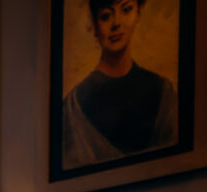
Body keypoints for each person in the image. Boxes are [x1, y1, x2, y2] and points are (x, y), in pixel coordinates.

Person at [62, 0, 178, 170]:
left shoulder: (163, 92)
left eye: (126, 10)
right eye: (106, 16)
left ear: (138, 13)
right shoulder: (73, 108)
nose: (116, 23)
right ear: (94, 24)